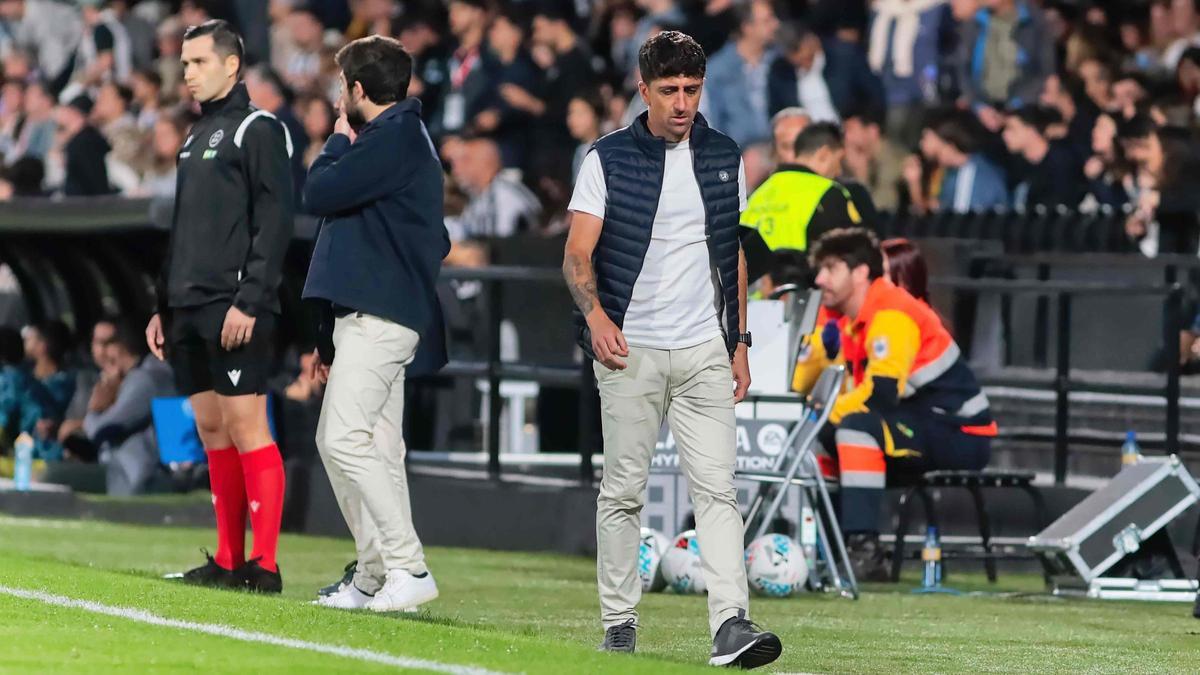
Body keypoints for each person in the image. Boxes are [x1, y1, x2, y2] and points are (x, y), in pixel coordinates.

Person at [562, 31, 781, 668]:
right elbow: (577, 255)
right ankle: (619, 620)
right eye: (669, 91)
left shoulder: (725, 156)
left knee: (718, 490)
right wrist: (598, 317)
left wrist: (739, 341)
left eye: (690, 90)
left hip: (704, 348)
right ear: (644, 88)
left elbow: (731, 255)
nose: (681, 103)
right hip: (631, 349)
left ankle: (731, 625)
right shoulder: (605, 159)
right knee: (623, 490)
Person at [144, 20, 294, 593]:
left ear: (232, 65)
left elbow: (275, 221)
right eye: (184, 64)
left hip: (234, 306)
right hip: (188, 306)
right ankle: (229, 560)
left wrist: (250, 300)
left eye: (198, 62)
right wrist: (164, 305)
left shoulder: (258, 129)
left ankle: (267, 564)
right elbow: (184, 231)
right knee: (211, 429)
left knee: (245, 424)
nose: (187, 74)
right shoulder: (193, 137)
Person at [302, 35, 450, 613]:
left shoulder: (391, 138)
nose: (342, 97)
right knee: (377, 449)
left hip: (381, 315)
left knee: (342, 439)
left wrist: (337, 141)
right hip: (369, 313)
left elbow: (318, 191)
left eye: (344, 87)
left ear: (359, 90)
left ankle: (407, 567)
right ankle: (374, 573)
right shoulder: (399, 140)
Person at [799, 228, 993, 581]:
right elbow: (802, 381)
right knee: (830, 434)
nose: (819, 278)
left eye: (830, 268)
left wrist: (824, 417)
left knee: (854, 427)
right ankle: (829, 548)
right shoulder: (847, 317)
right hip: (920, 421)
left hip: (961, 431)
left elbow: (881, 394)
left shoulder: (891, 311)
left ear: (859, 273)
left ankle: (864, 550)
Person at [740, 122, 863, 292]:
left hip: (752, 305)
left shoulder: (756, 195)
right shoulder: (830, 193)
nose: (839, 171)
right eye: (839, 160)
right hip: (802, 304)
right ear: (824, 154)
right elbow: (853, 254)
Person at [84, 320, 175, 496]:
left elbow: (101, 430)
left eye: (107, 344)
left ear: (120, 347)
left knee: (54, 476)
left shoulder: (145, 379)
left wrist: (94, 410)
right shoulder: (139, 377)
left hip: (139, 479)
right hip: (128, 476)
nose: (102, 354)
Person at [700, 0, 780, 148]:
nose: (776, 24)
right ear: (747, 27)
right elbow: (712, 121)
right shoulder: (717, 70)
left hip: (779, 146)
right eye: (767, 20)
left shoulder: (779, 60)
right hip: (740, 152)